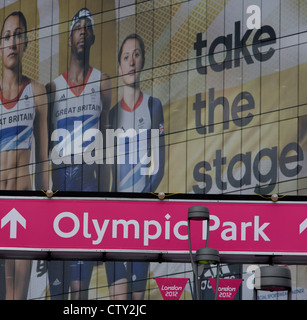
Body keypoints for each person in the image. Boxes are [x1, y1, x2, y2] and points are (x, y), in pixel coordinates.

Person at [0, 11, 49, 299]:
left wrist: (42, 211)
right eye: (7, 36)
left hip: (24, 208)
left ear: (26, 42)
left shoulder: (37, 92)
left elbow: (42, 160)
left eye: (18, 35)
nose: (12, 42)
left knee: (18, 296)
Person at [46, 8, 112, 300]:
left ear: (94, 36)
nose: (83, 31)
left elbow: (107, 142)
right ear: (69, 37)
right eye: (77, 28)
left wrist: (107, 196)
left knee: (81, 285)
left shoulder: (102, 81)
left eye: (88, 27)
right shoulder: (53, 88)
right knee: (59, 276)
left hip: (89, 182)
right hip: (61, 184)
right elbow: (46, 149)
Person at [105, 34, 165, 300]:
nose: (131, 62)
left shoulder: (154, 106)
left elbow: (158, 166)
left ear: (143, 62)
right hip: (115, 222)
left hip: (141, 221)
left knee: (137, 301)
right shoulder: (110, 116)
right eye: (126, 57)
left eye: (137, 55)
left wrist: (140, 205)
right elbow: (106, 173)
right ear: (119, 67)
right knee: (119, 300)